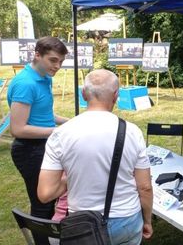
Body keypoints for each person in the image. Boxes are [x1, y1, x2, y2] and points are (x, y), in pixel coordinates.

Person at [38, 69, 153, 244]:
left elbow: (46, 194)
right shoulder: (132, 131)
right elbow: (144, 187)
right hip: (127, 220)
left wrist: (72, 175)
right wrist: (148, 221)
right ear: (116, 96)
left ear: (83, 94)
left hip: (82, 223)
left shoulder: (61, 134)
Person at [7, 36, 69, 244]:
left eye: (60, 61)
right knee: (42, 201)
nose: (57, 66)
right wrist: (56, 132)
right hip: (29, 150)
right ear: (37, 55)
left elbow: (44, 114)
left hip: (43, 146)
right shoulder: (25, 83)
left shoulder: (44, 78)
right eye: (53, 60)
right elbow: (17, 128)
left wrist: (71, 122)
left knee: (51, 200)